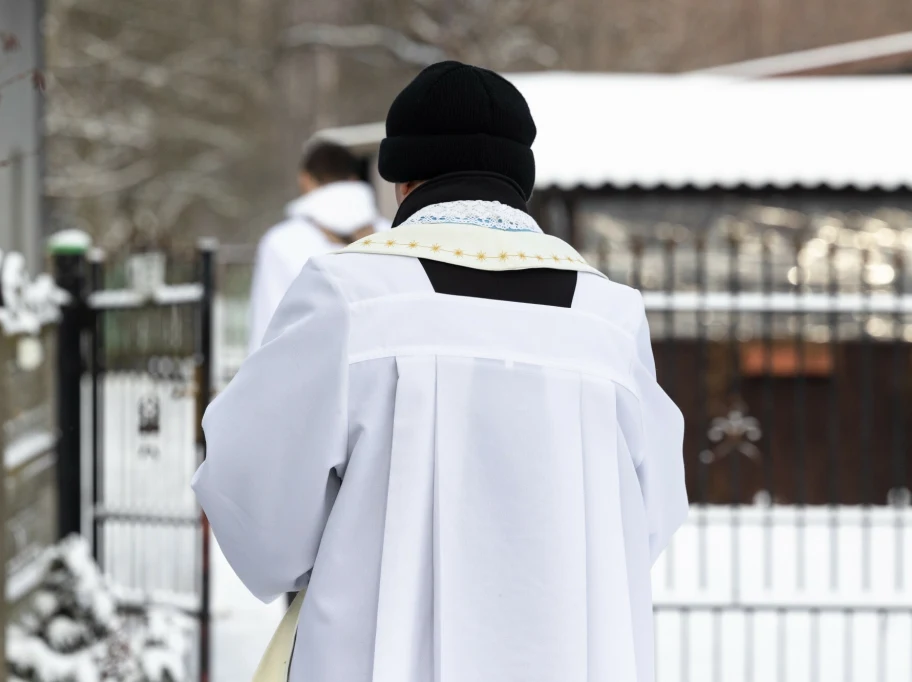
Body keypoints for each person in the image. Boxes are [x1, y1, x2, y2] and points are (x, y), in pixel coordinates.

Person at [194, 61, 688, 682]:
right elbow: (649, 516)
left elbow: (257, 503)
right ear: (520, 181)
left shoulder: (350, 297)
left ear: (401, 181)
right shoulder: (610, 319)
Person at [247, 142, 388, 354]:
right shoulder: (391, 234)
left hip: (312, 375)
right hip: (380, 374)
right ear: (353, 179)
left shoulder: (282, 242)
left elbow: (268, 329)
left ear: (304, 180)